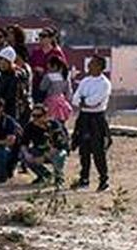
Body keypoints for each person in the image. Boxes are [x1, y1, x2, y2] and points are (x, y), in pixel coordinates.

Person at [71, 54, 112, 192]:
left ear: (100, 66)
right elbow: (75, 99)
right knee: (84, 150)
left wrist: (84, 101)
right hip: (84, 118)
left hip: (97, 119)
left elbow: (94, 102)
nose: (89, 66)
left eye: (92, 63)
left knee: (98, 151)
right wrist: (84, 102)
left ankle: (103, 180)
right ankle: (84, 180)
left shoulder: (105, 84)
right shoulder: (85, 81)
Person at [19, 104, 69, 186]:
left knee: (60, 156)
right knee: (23, 155)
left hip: (55, 151)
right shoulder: (29, 126)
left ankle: (58, 177)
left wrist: (44, 157)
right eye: (33, 115)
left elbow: (60, 144)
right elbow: (23, 143)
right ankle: (44, 175)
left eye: (38, 116)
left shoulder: (54, 125)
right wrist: (26, 154)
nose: (35, 118)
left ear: (45, 115)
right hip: (40, 150)